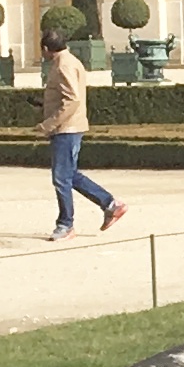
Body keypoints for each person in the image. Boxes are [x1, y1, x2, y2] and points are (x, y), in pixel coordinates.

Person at [40, 24, 124, 241]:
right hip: (70, 127)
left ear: (47, 48)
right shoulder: (69, 61)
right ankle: (110, 204)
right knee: (70, 175)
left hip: (66, 129)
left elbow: (72, 100)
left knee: (61, 179)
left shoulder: (63, 66)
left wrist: (49, 124)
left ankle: (66, 224)